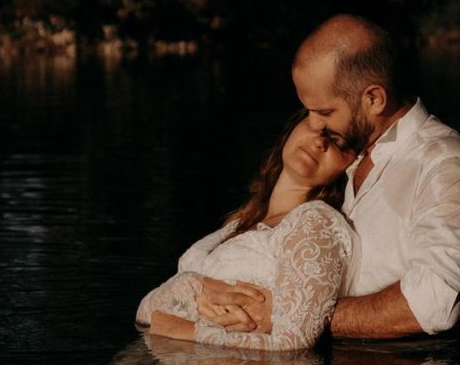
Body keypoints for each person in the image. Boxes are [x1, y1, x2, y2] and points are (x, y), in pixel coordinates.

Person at [197, 14, 460, 339]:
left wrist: (296, 313)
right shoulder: (348, 155)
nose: (314, 125)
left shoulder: (443, 164)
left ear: (373, 99)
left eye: (325, 112)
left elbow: (435, 303)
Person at [135, 112, 356, 350]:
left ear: (350, 167)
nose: (321, 142)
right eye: (318, 127)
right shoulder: (240, 222)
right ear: (294, 127)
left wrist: (184, 331)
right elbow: (145, 317)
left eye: (339, 143)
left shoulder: (314, 223)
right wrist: (187, 287)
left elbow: (293, 344)